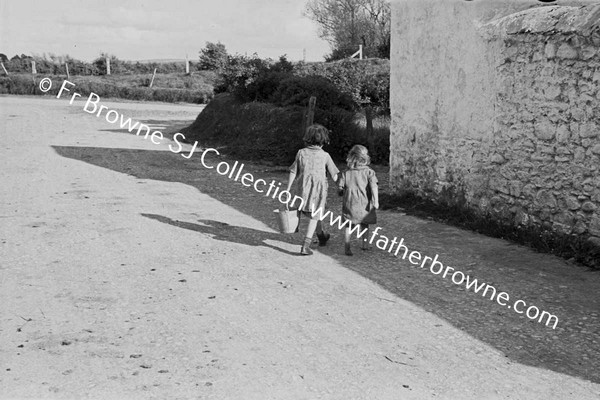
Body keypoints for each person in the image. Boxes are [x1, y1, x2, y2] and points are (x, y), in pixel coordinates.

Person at [286, 124, 339, 255]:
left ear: (307, 139)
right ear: (324, 140)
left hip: (302, 189)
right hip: (318, 192)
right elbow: (335, 174)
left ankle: (321, 236)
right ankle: (306, 245)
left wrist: (287, 188)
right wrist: (343, 185)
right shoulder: (325, 155)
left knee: (309, 212)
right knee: (315, 216)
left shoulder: (301, 153)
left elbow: (293, 171)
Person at [338, 145, 379, 256]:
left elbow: (340, 187)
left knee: (349, 225)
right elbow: (373, 186)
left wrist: (341, 191)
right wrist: (376, 201)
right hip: (364, 203)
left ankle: (347, 245)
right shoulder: (369, 172)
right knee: (364, 223)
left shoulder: (346, 173)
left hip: (350, 203)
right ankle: (365, 244)